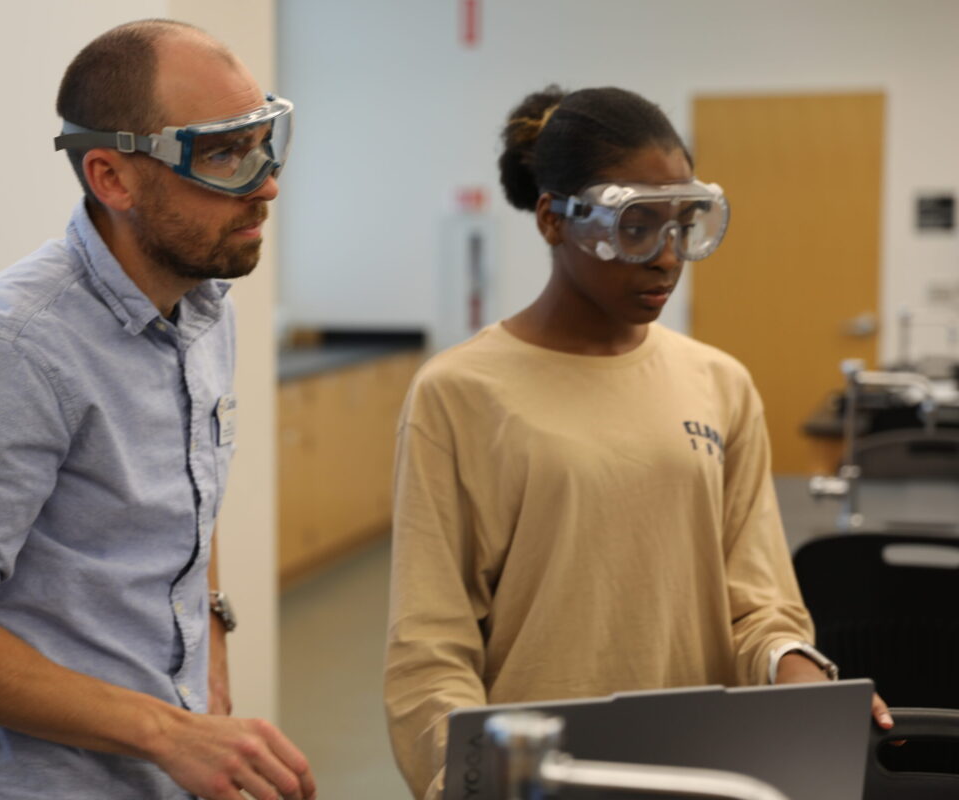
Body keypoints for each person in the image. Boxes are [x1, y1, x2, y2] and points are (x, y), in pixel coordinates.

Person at [382, 84, 892, 800]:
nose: (666, 257)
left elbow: (760, 606)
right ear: (554, 221)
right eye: (636, 226)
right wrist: (468, 780)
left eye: (684, 224)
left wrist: (802, 688)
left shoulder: (719, 384)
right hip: (539, 777)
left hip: (707, 772)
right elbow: (429, 649)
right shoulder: (460, 393)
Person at [0, 19, 315, 800]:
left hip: (165, 773)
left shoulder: (204, 307)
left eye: (265, 139)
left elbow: (183, 509)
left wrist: (210, 659)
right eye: (222, 154)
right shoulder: (8, 352)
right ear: (111, 178)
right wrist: (173, 732)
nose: (265, 182)